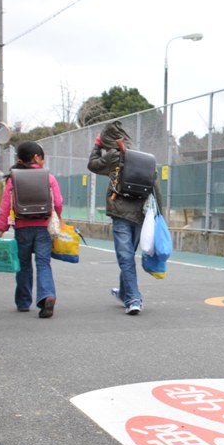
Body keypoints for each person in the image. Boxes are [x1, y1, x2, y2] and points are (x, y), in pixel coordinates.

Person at [87, 121, 162, 315]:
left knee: (125, 256)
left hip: (120, 212)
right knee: (127, 256)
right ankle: (124, 293)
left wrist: (97, 146)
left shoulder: (113, 156)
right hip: (142, 215)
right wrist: (161, 215)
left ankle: (134, 298)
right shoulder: (145, 159)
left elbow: (93, 165)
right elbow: (156, 187)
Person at [0, 141, 62, 318]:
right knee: (43, 263)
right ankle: (47, 296)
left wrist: (1, 229)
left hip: (22, 227)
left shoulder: (13, 178)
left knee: (23, 265)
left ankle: (23, 302)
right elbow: (59, 202)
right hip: (43, 227)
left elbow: (6, 205)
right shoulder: (48, 177)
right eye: (42, 157)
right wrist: (57, 218)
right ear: (36, 157)